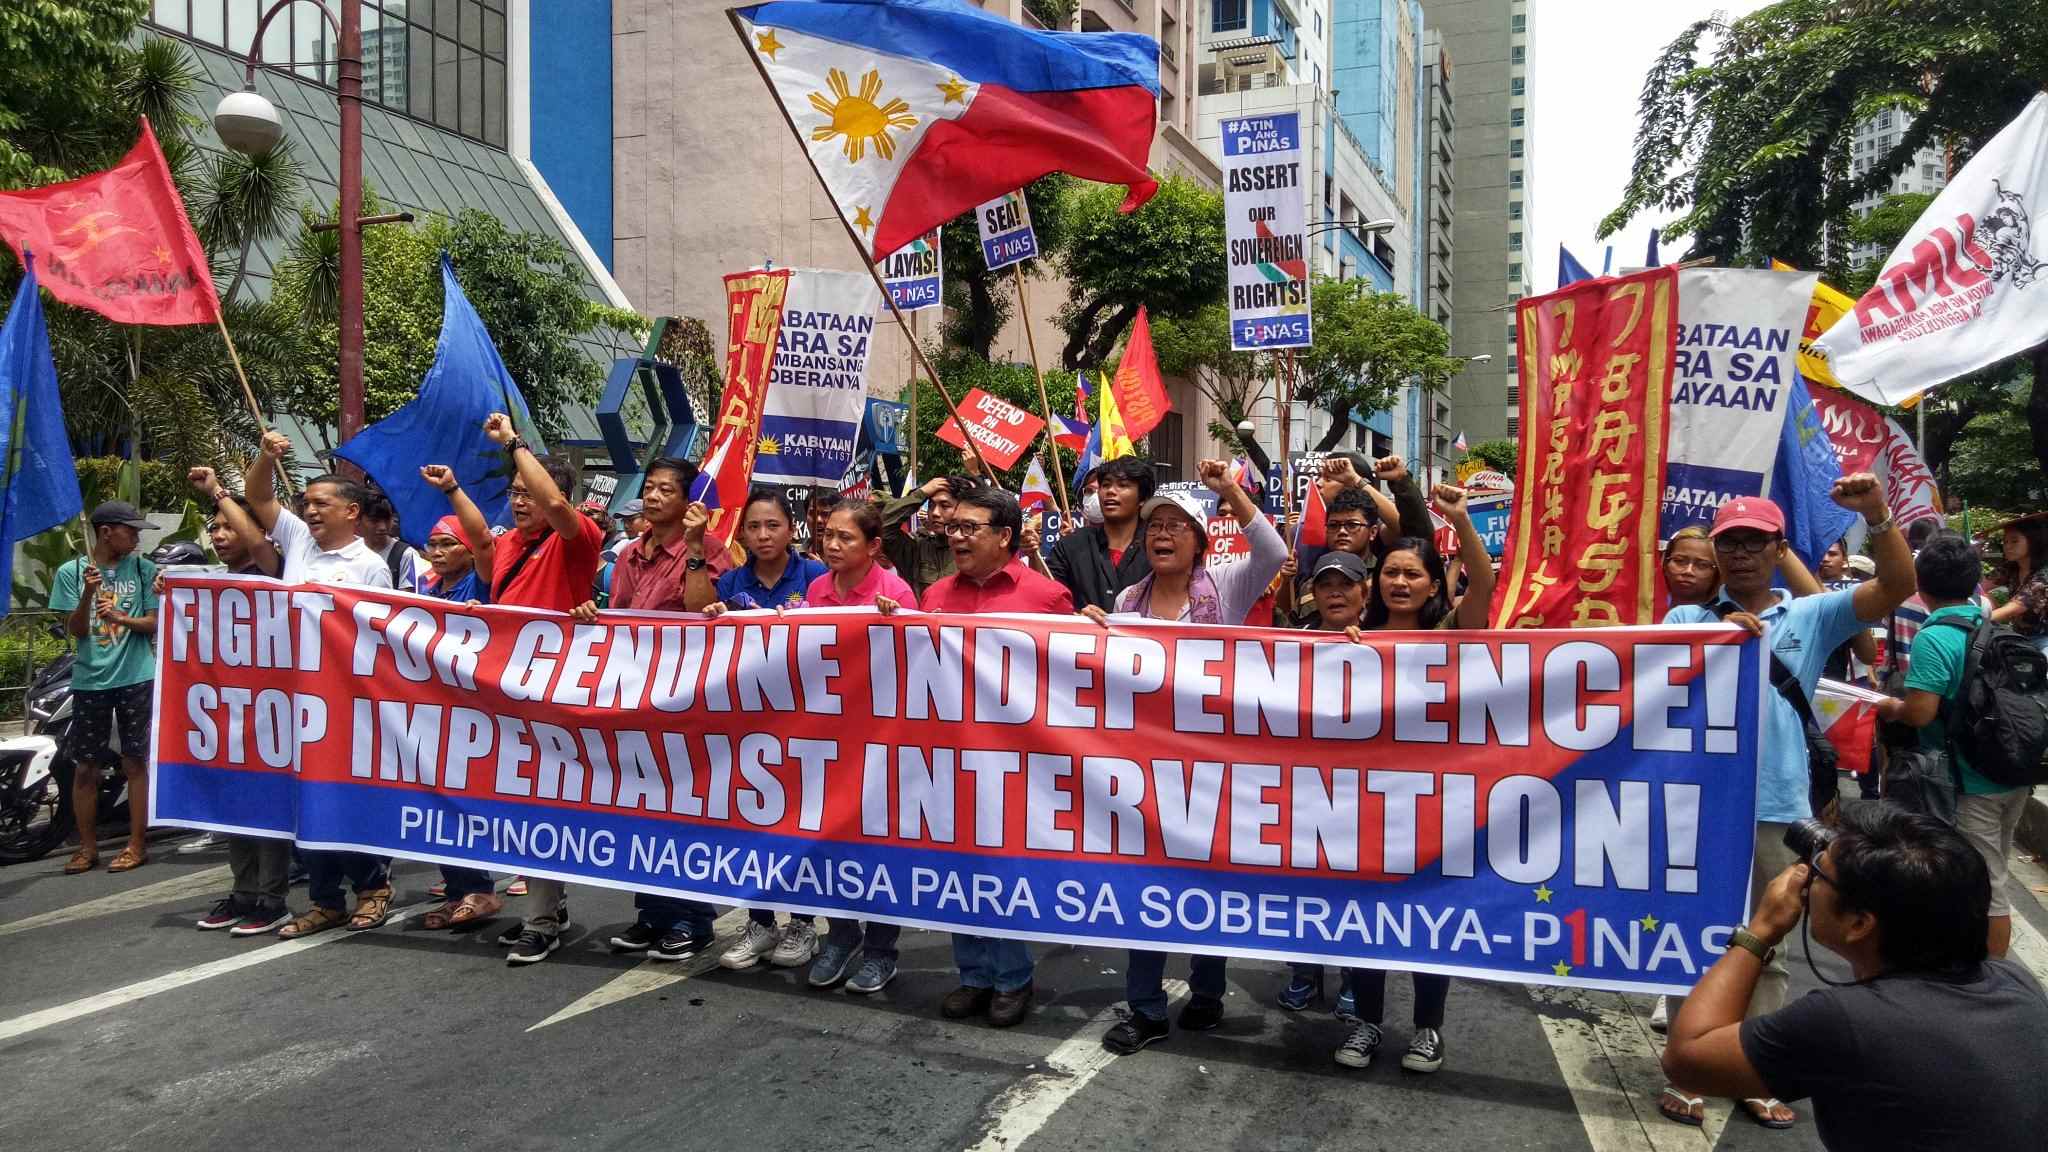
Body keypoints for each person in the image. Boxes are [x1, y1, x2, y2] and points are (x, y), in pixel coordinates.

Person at [1657, 478, 1916, 1130]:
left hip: (1778, 805)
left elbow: (1897, 587)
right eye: (1729, 544)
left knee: (1769, 942)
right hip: (1701, 803)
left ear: (1777, 549)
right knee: (1696, 935)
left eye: (1753, 543)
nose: (1740, 555)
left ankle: (1752, 1069)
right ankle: (1690, 1067)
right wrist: (1717, 645)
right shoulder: (1686, 620)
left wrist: (1878, 517)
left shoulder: (1811, 614)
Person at [1662, 804, 2048, 1151]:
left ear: (1860, 923)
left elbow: (1686, 1059)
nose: (1806, 879)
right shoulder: (2014, 982)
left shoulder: (1849, 1021)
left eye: (1818, 873)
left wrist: (1761, 930)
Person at [1090, 461, 1287, 1055]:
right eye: (1155, 527)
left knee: (1207, 878)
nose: (1162, 535)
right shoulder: (1129, 598)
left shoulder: (1226, 584)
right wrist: (1096, 633)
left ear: (1201, 542)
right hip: (1146, 770)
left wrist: (1228, 489)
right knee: (1146, 882)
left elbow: (1274, 551)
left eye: (1177, 526)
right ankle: (1146, 1007)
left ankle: (1207, 988)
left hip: (1213, 765)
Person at [1319, 484, 1496, 1073]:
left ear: (1430, 583)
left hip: (1431, 804)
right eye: (1391, 572)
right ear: (1375, 582)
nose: (1400, 582)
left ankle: (1427, 1029)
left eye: (1412, 574)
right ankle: (1367, 1022)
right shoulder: (1352, 639)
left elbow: (1484, 585)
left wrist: (1462, 524)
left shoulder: (1450, 633)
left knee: (1428, 920)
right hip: (1361, 804)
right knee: (1364, 920)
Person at [230, 432, 396, 938]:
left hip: (344, 703)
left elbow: (380, 635)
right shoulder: (299, 541)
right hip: (293, 697)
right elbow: (258, 497)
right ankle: (326, 900)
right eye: (307, 504)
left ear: (352, 512)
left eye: (323, 503)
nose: (312, 510)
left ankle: (372, 887)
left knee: (342, 798)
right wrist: (265, 456)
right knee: (305, 804)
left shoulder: (369, 566)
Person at [921, 487, 1073, 1025]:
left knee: (1002, 869)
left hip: (1016, 760)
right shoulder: (935, 595)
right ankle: (973, 975)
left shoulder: (1047, 597)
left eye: (969, 528)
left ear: (1004, 536)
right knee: (959, 866)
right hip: (949, 757)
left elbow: (1070, 679)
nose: (955, 535)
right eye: (953, 527)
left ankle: (1012, 977)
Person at [567, 457, 726, 961]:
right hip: (634, 696)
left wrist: (697, 549)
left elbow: (705, 611)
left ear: (688, 502)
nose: (654, 498)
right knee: (641, 805)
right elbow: (620, 617)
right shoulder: (630, 553)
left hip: (684, 699)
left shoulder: (709, 548)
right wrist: (594, 613)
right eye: (650, 489)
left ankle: (690, 919)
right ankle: (651, 914)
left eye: (665, 490)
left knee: (682, 807)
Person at [472, 412, 606, 964]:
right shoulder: (507, 547)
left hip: (557, 696)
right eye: (514, 493)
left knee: (544, 801)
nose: (521, 501)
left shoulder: (578, 540)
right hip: (509, 696)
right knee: (521, 800)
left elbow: (556, 509)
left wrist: (514, 443)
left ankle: (542, 918)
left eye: (529, 492)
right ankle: (548, 904)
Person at [1876, 533, 2029, 958]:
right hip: (2010, 771)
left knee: (1986, 883)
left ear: (1919, 586)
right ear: (1974, 582)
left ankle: (1992, 977)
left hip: (1969, 782)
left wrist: (1890, 705)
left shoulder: (1936, 637)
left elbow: (1920, 713)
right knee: (1991, 866)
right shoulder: (1990, 624)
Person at [799, 499, 915, 992]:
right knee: (827, 840)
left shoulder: (894, 591)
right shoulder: (818, 588)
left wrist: (900, 622)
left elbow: (921, 665)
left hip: (882, 741)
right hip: (828, 739)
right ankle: (841, 936)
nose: (832, 545)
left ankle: (881, 950)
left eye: (846, 538)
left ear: (874, 546)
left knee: (878, 845)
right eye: (828, 535)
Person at [182, 470, 298, 932]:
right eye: (214, 528)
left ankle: (273, 898)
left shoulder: (274, 570)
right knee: (233, 803)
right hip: (226, 710)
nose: (219, 534)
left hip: (272, 711)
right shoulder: (211, 584)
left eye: (228, 526)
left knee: (266, 802)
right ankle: (242, 891)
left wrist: (217, 491)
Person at [51, 501, 159, 876]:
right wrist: (86, 594)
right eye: (130, 530)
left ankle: (136, 844)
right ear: (106, 531)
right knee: (86, 767)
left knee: (134, 762)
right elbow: (76, 630)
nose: (136, 536)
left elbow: (153, 623)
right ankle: (86, 848)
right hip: (90, 679)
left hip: (136, 675)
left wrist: (122, 618)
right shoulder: (72, 572)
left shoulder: (145, 570)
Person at [1045, 456, 1153, 611]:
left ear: (1142, 498)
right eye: (1106, 485)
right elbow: (1049, 596)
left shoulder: (1156, 547)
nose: (1110, 491)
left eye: (1122, 485)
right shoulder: (1071, 546)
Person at [714, 489, 826, 613]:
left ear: (792, 530)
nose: (763, 536)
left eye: (772, 525)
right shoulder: (729, 583)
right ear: (743, 532)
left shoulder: (816, 575)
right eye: (754, 526)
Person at [880, 473, 977, 602]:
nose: (935, 513)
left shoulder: (977, 549)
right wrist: (921, 494)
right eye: (931, 505)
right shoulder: (916, 549)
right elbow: (884, 526)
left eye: (945, 506)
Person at [1990, 513, 2048, 652]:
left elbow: (2014, 608)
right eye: (2005, 542)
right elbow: (1979, 585)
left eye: (2014, 541)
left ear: (2033, 541)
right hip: (2018, 636)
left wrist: (1972, 619)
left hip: (2044, 638)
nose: (2008, 546)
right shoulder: (2010, 568)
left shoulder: (2044, 575)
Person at [361, 487, 426, 592]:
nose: (382, 527)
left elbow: (407, 600)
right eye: (374, 521)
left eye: (387, 520)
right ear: (358, 519)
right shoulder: (348, 550)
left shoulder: (406, 555)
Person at [1664, 525, 1720, 610]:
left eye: (1702, 565)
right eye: (1679, 561)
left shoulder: (1725, 618)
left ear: (1716, 573)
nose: (1688, 571)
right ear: (1665, 564)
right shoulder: (1644, 610)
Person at [804, 488, 842, 561]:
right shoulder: (794, 555)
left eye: (825, 514)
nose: (818, 520)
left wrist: (822, 570)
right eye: (812, 513)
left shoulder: (847, 557)